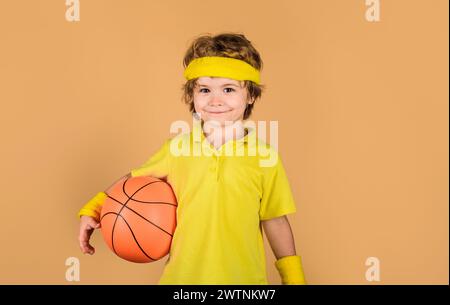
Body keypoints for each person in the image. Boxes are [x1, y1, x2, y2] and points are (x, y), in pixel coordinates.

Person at [78, 33, 306, 285]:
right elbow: (133, 179)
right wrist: (94, 208)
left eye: (228, 89)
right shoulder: (177, 149)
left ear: (250, 95)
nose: (215, 100)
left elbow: (274, 219)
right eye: (205, 90)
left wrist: (294, 278)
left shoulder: (265, 157)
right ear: (192, 96)